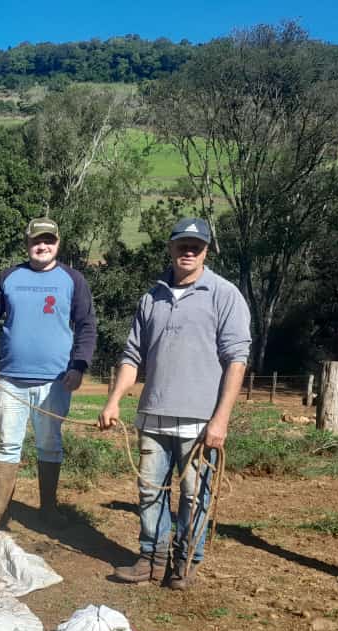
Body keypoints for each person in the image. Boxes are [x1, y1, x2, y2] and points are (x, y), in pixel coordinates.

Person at [98, 218, 250, 590]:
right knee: (149, 491)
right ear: (170, 248)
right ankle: (151, 558)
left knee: (195, 495)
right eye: (182, 244)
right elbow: (132, 356)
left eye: (196, 246)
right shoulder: (152, 297)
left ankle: (185, 561)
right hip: (153, 413)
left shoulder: (224, 294)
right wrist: (114, 401)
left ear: (206, 251)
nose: (188, 251)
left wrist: (221, 419)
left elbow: (237, 359)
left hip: (200, 419)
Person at [0, 217, 97, 530]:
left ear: (58, 243)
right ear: (27, 244)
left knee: (50, 444)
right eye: (37, 240)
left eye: (49, 240)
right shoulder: (9, 277)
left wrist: (79, 366)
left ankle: (48, 509)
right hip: (11, 380)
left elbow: (87, 326)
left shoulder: (73, 280)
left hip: (56, 382)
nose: (42, 246)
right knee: (8, 444)